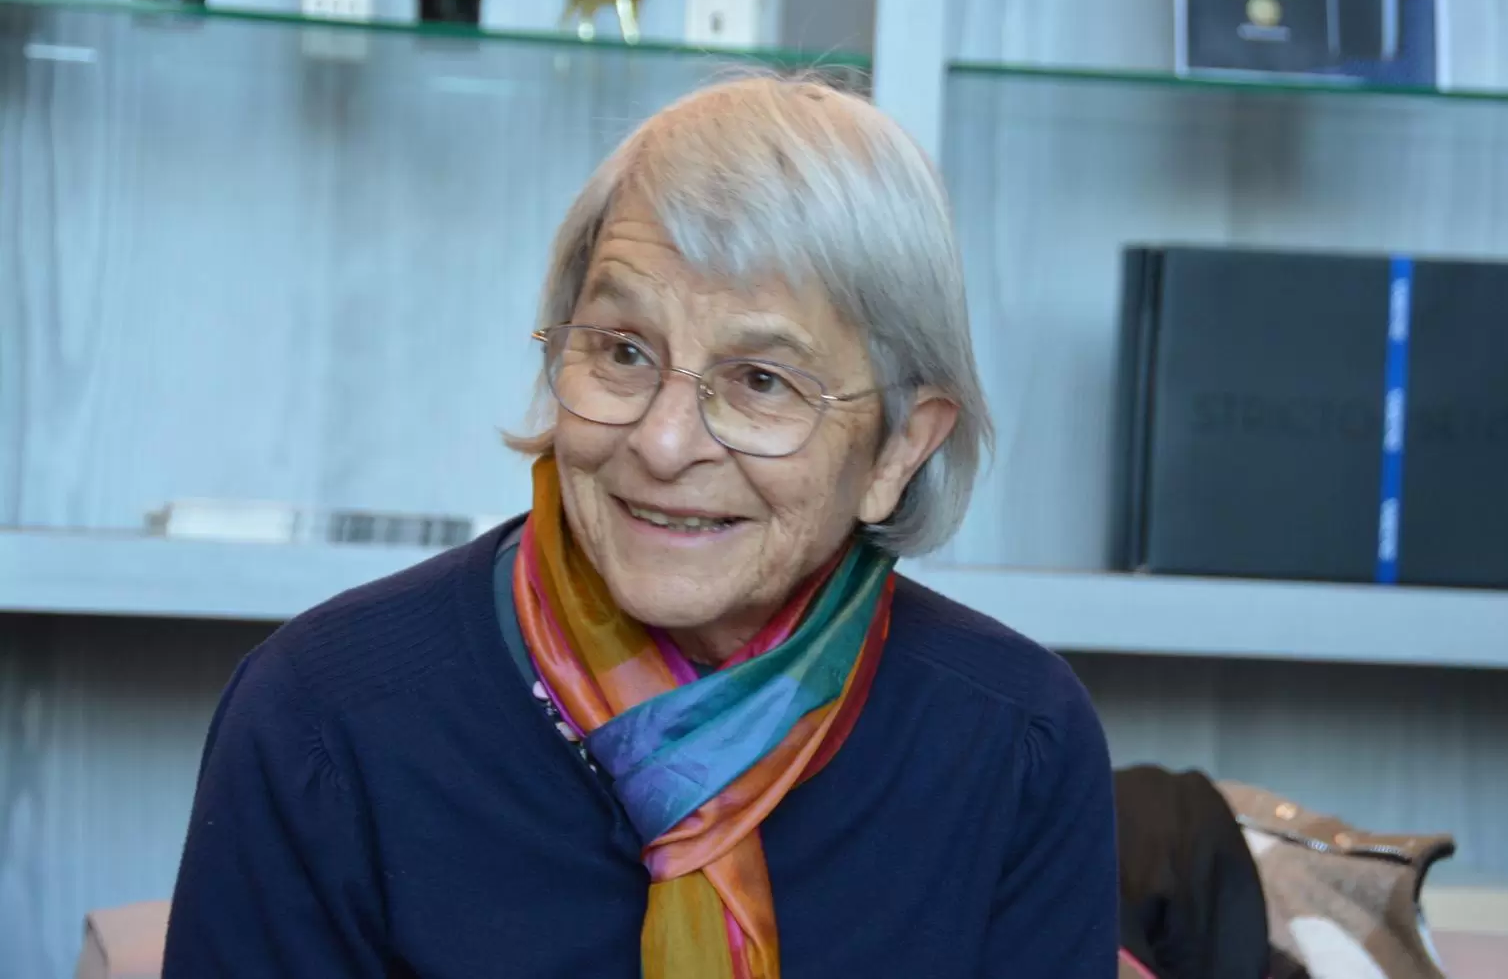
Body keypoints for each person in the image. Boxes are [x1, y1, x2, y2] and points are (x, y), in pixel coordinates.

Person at [163, 73, 1118, 978]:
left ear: (899, 449)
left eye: (761, 381)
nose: (663, 443)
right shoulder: (325, 719)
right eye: (623, 352)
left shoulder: (1014, 747)